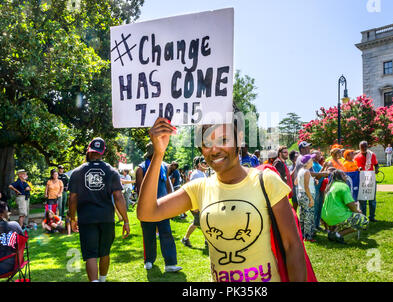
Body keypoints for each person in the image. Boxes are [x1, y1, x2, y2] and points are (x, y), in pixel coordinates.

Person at [137, 117, 308, 282]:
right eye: (206, 144)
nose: (214, 150)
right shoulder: (199, 188)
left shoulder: (266, 180)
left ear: (239, 139)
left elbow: (292, 245)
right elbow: (147, 213)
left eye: (223, 139)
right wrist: (158, 154)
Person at [68, 137, 130, 282]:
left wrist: (72, 218)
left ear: (89, 151)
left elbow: (72, 198)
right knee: (104, 252)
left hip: (86, 218)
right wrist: (126, 221)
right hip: (107, 218)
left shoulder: (77, 172)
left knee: (90, 254)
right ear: (103, 152)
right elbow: (119, 197)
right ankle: (102, 280)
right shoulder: (111, 171)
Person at [135, 142, 181, 273]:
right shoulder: (140, 169)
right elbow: (139, 190)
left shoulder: (163, 167)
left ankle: (170, 263)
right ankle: (149, 260)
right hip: (147, 207)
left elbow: (167, 184)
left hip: (162, 206)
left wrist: (172, 201)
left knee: (166, 233)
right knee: (148, 234)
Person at [321, 170, 369, 244]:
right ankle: (339, 234)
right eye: (344, 175)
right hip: (336, 216)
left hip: (326, 217)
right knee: (363, 220)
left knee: (348, 217)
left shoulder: (330, 186)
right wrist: (357, 211)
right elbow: (349, 203)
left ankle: (333, 232)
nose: (346, 177)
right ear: (339, 177)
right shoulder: (343, 186)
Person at [181, 156, 208, 248]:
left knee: (203, 221)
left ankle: (207, 241)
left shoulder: (203, 173)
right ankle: (185, 239)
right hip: (195, 202)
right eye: (204, 163)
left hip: (201, 201)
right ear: (198, 165)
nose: (206, 164)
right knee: (198, 222)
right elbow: (193, 189)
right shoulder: (196, 174)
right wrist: (195, 206)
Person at [354, 141, 379, 222]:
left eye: (365, 146)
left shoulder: (372, 155)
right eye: (362, 147)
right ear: (359, 147)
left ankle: (372, 216)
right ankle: (363, 218)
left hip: (371, 179)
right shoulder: (356, 157)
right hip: (362, 180)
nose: (364, 148)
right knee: (362, 200)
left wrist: (377, 169)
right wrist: (358, 169)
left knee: (372, 199)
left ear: (367, 146)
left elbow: (376, 164)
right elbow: (354, 168)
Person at [295, 154, 316, 242]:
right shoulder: (306, 172)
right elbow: (306, 187)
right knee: (308, 216)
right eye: (311, 160)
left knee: (303, 215)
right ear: (308, 162)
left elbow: (296, 182)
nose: (313, 161)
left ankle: (302, 234)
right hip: (307, 195)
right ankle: (308, 236)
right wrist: (311, 198)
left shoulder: (301, 170)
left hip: (300, 194)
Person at [0, 201, 24, 275]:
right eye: (7, 211)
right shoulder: (15, 225)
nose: (8, 212)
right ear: (2, 215)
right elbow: (24, 245)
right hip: (15, 264)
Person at [311, 150, 327, 231]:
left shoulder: (318, 164)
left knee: (320, 206)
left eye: (319, 153)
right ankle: (313, 226)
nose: (319, 155)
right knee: (316, 207)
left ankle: (317, 224)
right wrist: (324, 168)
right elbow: (316, 177)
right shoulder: (312, 165)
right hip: (315, 188)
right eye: (317, 154)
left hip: (321, 189)